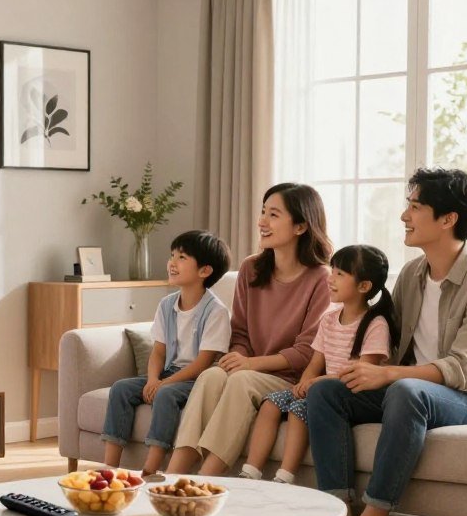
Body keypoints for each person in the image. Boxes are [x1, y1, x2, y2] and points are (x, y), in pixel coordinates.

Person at [298, 167, 467, 516]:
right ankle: (336, 515)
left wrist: (387, 376)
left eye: (415, 207)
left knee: (404, 390)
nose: (404, 216)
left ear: (448, 219)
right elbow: (392, 347)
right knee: (325, 391)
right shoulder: (412, 274)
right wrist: (361, 372)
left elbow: (463, 370)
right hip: (411, 392)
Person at [166, 183, 333, 476]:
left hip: (288, 378)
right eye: (262, 212)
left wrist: (250, 364)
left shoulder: (321, 278)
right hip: (249, 367)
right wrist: (238, 358)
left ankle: (204, 483)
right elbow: (240, 332)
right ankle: (174, 477)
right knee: (211, 375)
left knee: (241, 381)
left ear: (300, 226)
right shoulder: (251, 268)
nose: (262, 222)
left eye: (273, 214)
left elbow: (306, 351)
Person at [241, 245, 398, 485]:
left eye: (340, 275)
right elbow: (316, 362)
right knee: (271, 403)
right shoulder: (329, 318)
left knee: (298, 410)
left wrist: (316, 383)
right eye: (332, 271)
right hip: (320, 386)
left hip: (350, 395)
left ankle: (285, 476)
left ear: (364, 286)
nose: (330, 279)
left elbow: (363, 375)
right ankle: (250, 472)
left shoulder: (375, 324)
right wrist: (304, 383)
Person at [100, 230, 232, 480]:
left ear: (205, 271)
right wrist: (152, 380)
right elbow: (158, 351)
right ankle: (110, 468)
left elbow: (204, 363)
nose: (172, 262)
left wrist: (163, 384)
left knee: (166, 395)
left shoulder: (216, 312)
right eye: (172, 255)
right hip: (168, 373)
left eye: (182, 257)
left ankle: (150, 469)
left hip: (197, 380)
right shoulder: (166, 304)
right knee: (121, 388)